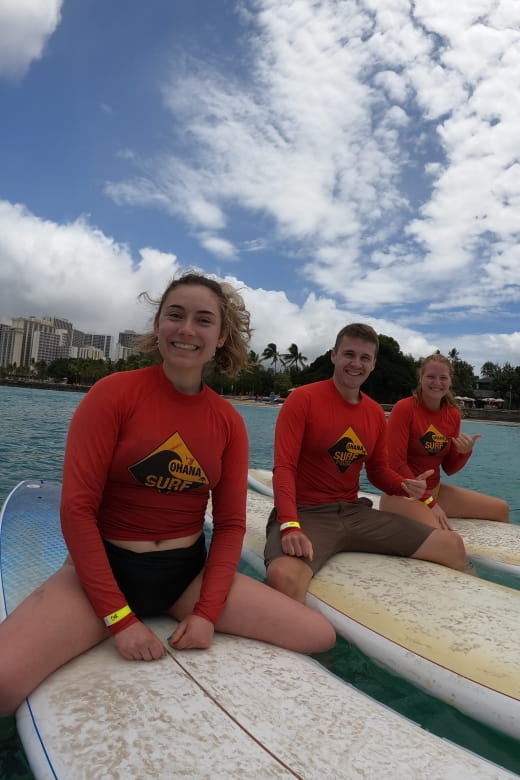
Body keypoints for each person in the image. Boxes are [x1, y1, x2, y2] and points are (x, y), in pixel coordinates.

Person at [0, 271, 335, 716]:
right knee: (3, 685)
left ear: (220, 338)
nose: (186, 330)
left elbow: (233, 524)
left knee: (317, 634)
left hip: (184, 576)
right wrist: (118, 619)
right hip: (104, 569)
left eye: (203, 320)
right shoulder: (112, 395)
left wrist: (206, 613)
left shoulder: (227, 421)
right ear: (157, 325)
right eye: (175, 315)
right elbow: (77, 510)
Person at [265, 323, 469, 603]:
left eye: (365, 358)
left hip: (354, 513)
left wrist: (405, 486)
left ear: (373, 364)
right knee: (284, 577)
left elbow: (378, 472)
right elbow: (284, 466)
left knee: (452, 545)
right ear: (334, 355)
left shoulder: (374, 412)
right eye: (349, 354)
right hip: (307, 513)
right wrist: (289, 524)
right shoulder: (303, 399)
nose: (356, 363)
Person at [379, 353, 509, 528]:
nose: (437, 383)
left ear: (450, 381)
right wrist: (429, 504)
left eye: (443, 378)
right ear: (421, 377)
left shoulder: (452, 414)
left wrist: (465, 452)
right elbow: (395, 464)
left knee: (501, 509)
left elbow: (449, 468)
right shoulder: (404, 408)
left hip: (435, 492)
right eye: (431, 377)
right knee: (442, 534)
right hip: (402, 494)